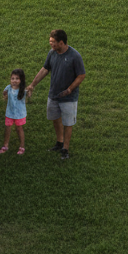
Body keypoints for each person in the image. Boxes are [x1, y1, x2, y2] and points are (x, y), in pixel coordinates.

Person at [25, 29, 85, 161]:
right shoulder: (52, 53)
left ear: (61, 42)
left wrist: (70, 89)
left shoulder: (75, 56)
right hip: (53, 95)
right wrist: (32, 85)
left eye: (53, 42)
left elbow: (81, 75)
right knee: (55, 118)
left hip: (69, 97)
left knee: (68, 123)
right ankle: (59, 142)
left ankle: (66, 149)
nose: (50, 44)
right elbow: (45, 69)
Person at [0, 69, 27, 156]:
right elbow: (4, 93)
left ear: (21, 80)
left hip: (19, 114)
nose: (14, 80)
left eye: (17, 78)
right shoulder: (8, 88)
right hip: (9, 113)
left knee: (19, 128)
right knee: (7, 128)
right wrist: (4, 94)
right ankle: (5, 145)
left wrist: (29, 91)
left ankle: (22, 146)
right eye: (12, 78)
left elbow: (28, 96)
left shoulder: (23, 90)